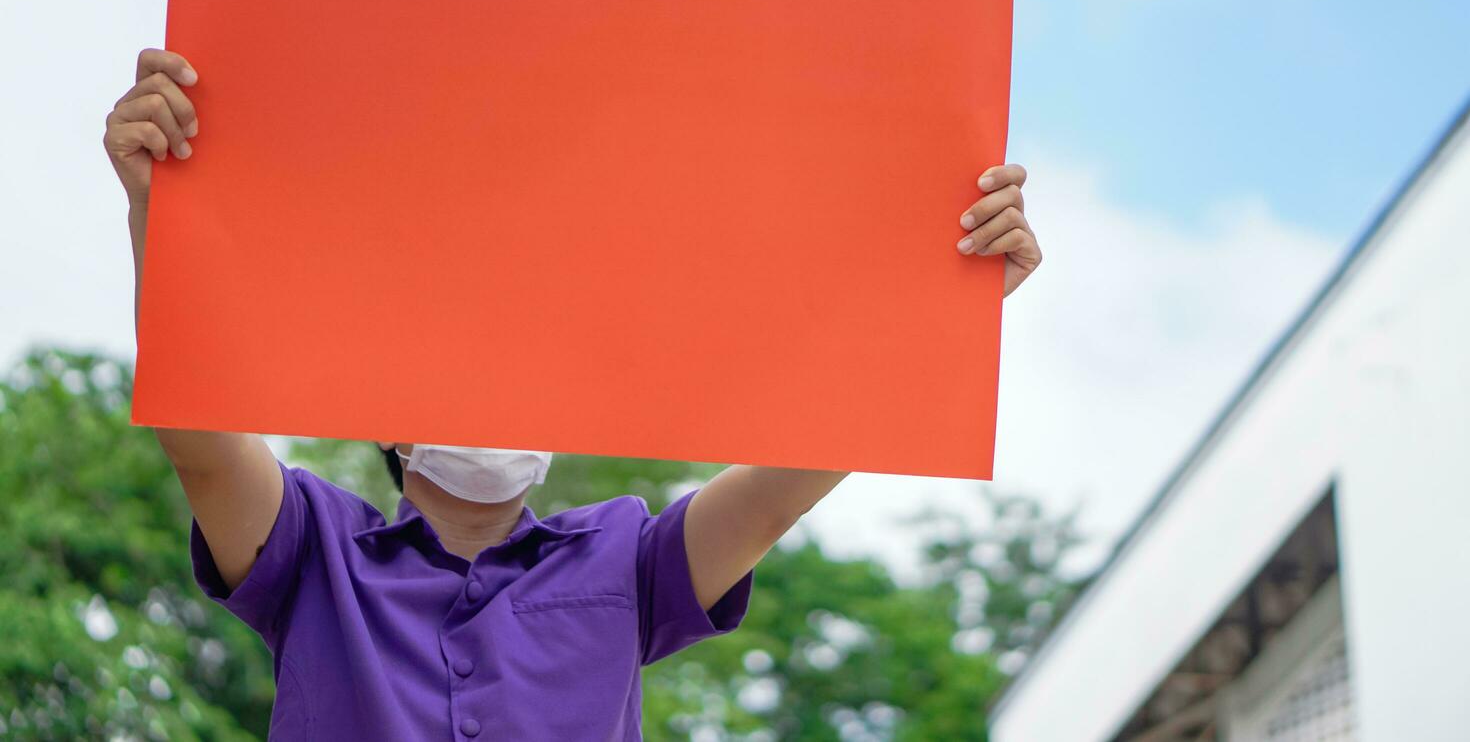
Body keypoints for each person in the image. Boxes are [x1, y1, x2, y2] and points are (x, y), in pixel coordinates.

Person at [103, 47, 1044, 740]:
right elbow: (196, 428)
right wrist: (158, 205)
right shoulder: (313, 546)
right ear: (388, 412)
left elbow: (793, 471)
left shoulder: (626, 561)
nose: (499, 395)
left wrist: (948, 309)